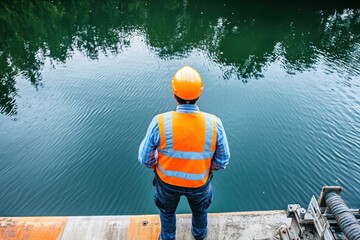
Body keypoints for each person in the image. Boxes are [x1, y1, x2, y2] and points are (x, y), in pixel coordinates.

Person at [138, 66, 230, 240]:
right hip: (199, 184)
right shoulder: (214, 123)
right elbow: (223, 160)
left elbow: (145, 159)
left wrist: (156, 160)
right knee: (200, 211)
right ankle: (199, 235)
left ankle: (168, 237)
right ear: (199, 95)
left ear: (174, 94)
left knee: (167, 213)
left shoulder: (160, 122)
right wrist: (206, 166)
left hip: (166, 184)